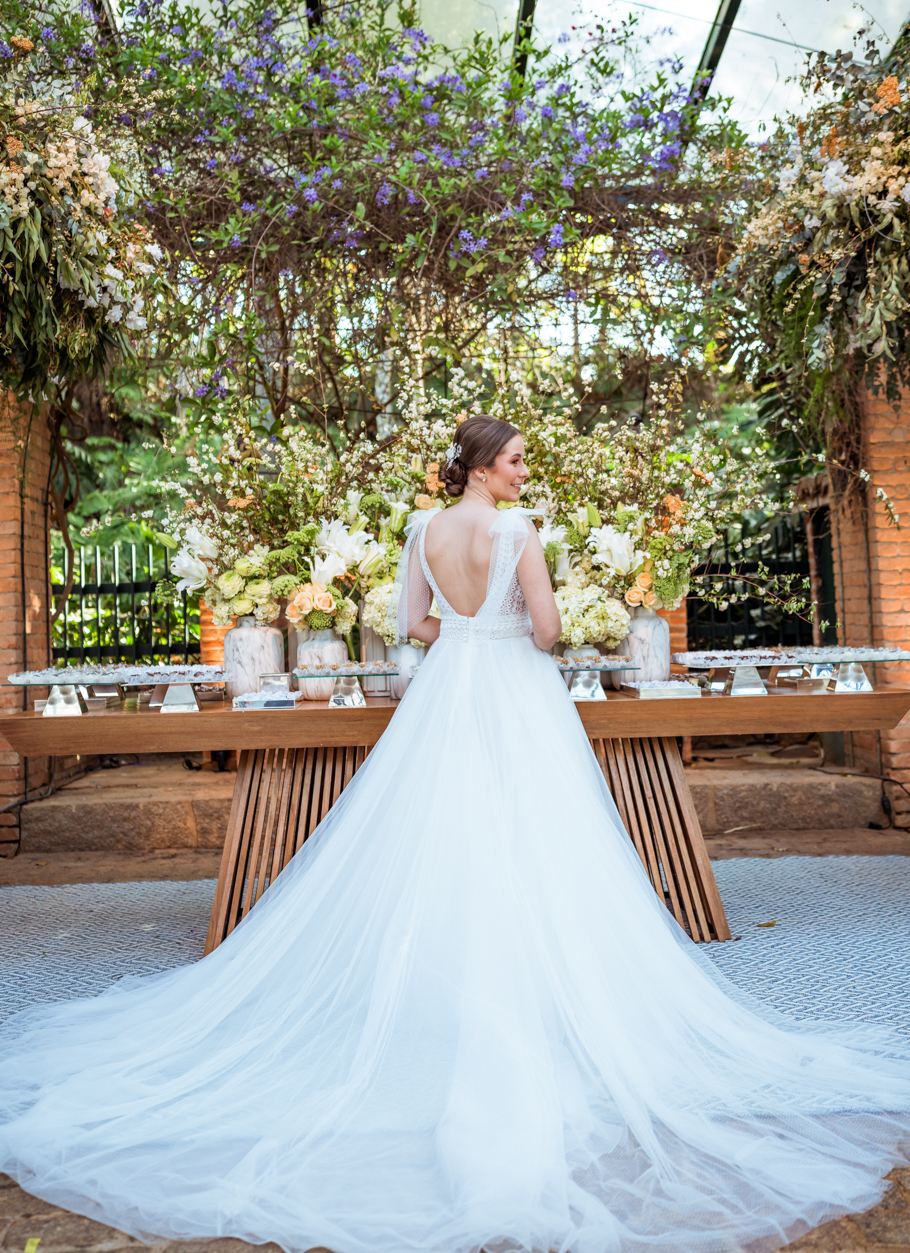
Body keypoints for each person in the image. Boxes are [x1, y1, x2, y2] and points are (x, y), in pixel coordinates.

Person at [1, 413, 909, 1253]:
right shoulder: (518, 532)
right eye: (514, 458)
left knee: (438, 837)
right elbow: (550, 631)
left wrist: (471, 629)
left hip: (450, 692)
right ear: (481, 466)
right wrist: (527, 627)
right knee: (538, 840)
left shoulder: (421, 531)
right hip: (515, 693)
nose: (523, 470)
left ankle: (440, 989)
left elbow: (413, 625)